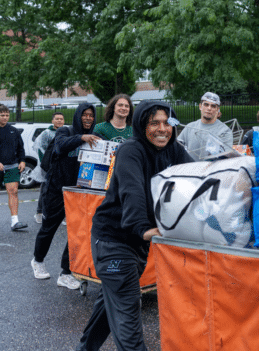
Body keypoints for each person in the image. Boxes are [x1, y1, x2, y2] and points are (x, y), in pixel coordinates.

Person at [76, 100, 192, 351]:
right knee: (128, 317)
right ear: (141, 124)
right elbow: (132, 190)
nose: (162, 129)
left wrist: (227, 170)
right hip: (113, 240)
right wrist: (142, 226)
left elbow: (198, 174)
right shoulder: (131, 149)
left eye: (167, 122)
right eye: (154, 123)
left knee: (111, 306)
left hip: (137, 243)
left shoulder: (174, 149)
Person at [31, 103, 102, 289]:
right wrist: (81, 138)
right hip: (57, 189)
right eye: (84, 115)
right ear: (78, 116)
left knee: (76, 234)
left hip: (79, 193)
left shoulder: (96, 137)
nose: (88, 118)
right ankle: (37, 261)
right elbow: (60, 147)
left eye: (91, 115)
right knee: (49, 228)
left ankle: (65, 272)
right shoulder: (64, 131)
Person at [177, 92, 233, 159]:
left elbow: (226, 158)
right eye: (206, 104)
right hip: (190, 168)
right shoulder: (189, 127)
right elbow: (176, 149)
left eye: (213, 106)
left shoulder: (225, 131)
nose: (209, 108)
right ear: (200, 106)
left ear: (217, 110)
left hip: (213, 169)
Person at [0, 103, 27, 231]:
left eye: (7, 115)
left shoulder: (13, 131)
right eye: (2, 115)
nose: (5, 117)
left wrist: (22, 161)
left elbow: (20, 148)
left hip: (12, 166)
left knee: (13, 191)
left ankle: (15, 222)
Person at [32, 112, 66, 224]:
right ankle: (40, 212)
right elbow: (39, 147)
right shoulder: (46, 133)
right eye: (57, 119)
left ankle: (58, 215)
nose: (59, 121)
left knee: (60, 192)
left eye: (61, 119)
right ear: (52, 121)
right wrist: (46, 164)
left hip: (61, 167)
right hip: (49, 167)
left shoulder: (66, 132)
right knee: (45, 190)